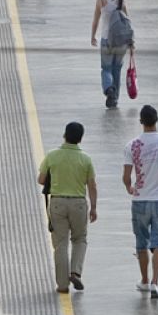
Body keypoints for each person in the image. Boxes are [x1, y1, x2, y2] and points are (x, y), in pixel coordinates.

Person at [121, 104, 158, 299]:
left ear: (141, 121)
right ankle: (155, 282)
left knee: (141, 243)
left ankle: (144, 280)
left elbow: (126, 177)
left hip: (140, 201)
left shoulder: (132, 145)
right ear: (157, 120)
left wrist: (130, 188)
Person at [37, 121, 98, 293]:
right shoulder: (86, 159)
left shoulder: (52, 155)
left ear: (64, 135)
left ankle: (62, 285)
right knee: (80, 239)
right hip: (79, 204)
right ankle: (75, 272)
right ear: (81, 139)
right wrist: (93, 208)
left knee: (61, 244)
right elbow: (92, 186)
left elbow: (41, 180)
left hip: (57, 203)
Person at [90, 0, 130, 108]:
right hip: (121, 42)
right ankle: (115, 99)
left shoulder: (101, 1)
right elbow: (127, 23)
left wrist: (93, 36)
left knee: (106, 68)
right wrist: (130, 42)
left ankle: (109, 89)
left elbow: (95, 21)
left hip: (106, 39)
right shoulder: (122, 1)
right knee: (117, 69)